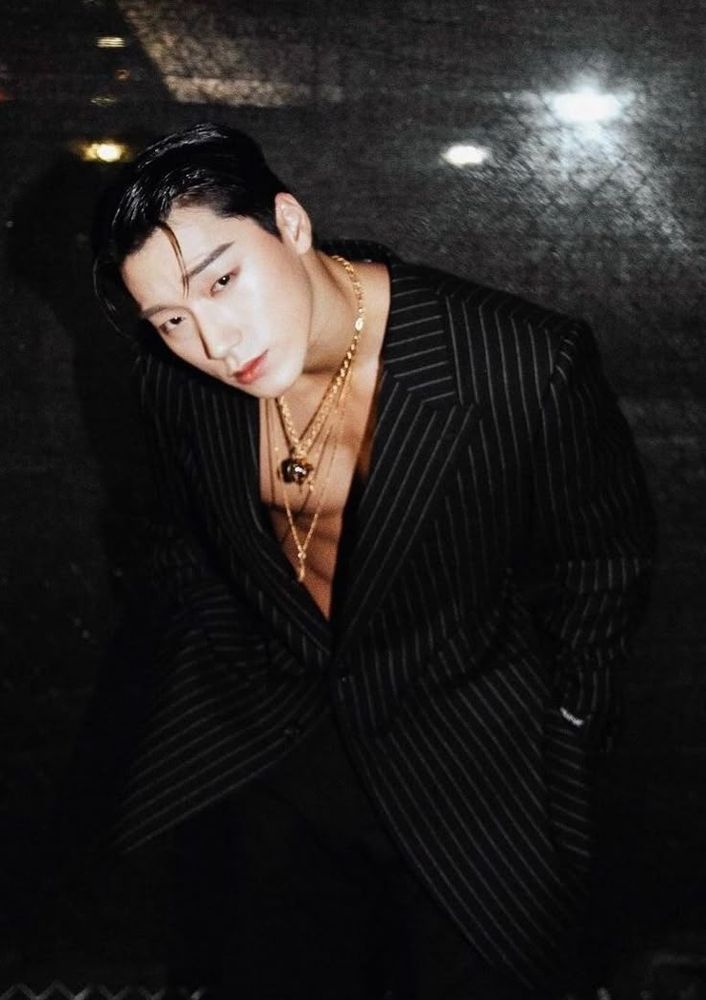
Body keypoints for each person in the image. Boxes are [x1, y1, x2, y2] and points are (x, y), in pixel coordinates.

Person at [91, 122, 655, 999]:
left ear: (290, 223)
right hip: (278, 758)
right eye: (171, 319)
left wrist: (566, 731)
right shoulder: (174, 378)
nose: (215, 342)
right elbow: (177, 534)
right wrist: (226, 660)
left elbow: (603, 567)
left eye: (223, 280)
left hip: (474, 766)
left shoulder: (520, 362)